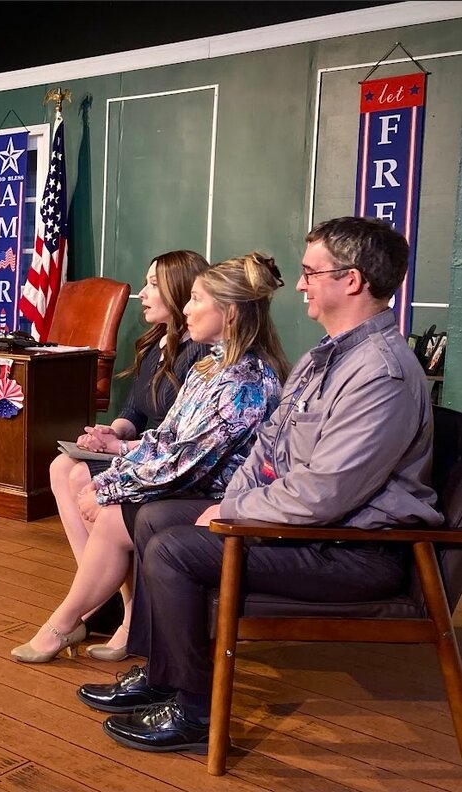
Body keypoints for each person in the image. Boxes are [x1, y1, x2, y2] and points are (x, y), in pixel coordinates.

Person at [78, 216, 442, 755]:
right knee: (153, 516)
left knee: (176, 549)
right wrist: (231, 501)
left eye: (310, 272)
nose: (298, 285)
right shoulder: (327, 355)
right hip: (311, 529)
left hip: (353, 550)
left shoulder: (380, 372)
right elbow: (269, 448)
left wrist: (235, 511)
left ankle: (194, 712)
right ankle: (163, 674)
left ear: (353, 281)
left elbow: (324, 494)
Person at [11, 252, 290, 664]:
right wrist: (113, 466)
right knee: (88, 489)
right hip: (194, 480)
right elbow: (166, 437)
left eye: (196, 299)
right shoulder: (212, 367)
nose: (188, 308)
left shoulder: (244, 379)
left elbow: (185, 463)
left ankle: (67, 622)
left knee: (108, 512)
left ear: (229, 314)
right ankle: (92, 615)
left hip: (220, 495)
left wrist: (107, 487)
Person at [48, 250, 210, 660]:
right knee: (61, 465)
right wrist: (111, 430)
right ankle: (104, 597)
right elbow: (135, 411)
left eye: (153, 284)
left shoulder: (203, 357)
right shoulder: (157, 345)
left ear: (181, 290)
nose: (142, 294)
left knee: (82, 477)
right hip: (138, 449)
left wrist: (117, 448)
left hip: (166, 464)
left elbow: (179, 439)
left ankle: (124, 609)